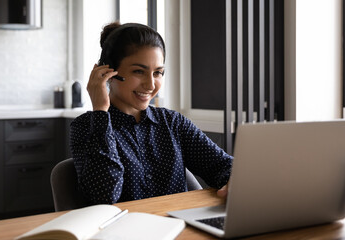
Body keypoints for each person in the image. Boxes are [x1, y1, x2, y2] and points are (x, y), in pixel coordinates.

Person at [70, 22, 232, 205]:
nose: (151, 85)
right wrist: (100, 111)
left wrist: (233, 180)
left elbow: (224, 166)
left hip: (178, 228)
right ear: (107, 72)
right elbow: (104, 197)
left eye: (158, 73)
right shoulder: (86, 126)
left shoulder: (172, 123)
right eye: (139, 71)